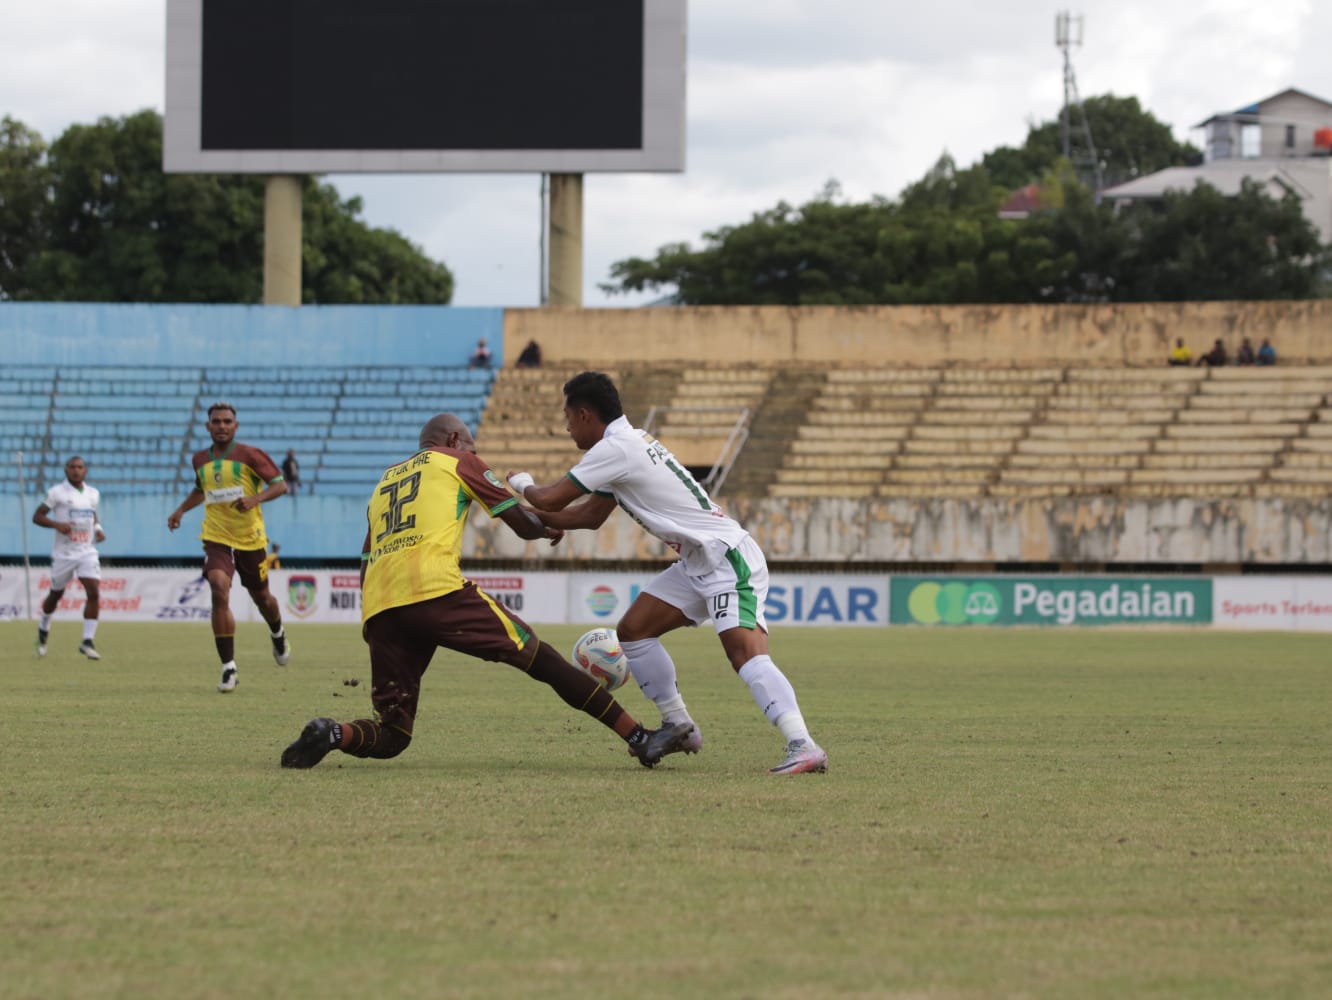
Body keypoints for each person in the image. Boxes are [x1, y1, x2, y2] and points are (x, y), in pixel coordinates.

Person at [279, 412, 693, 771]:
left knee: (393, 734)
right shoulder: (458, 461)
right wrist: (547, 526)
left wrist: (375, 618)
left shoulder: (385, 481)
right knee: (542, 659)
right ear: (456, 441)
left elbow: (367, 556)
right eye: (471, 447)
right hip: (435, 590)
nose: (474, 455)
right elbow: (521, 523)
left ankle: (332, 733)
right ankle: (639, 738)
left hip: (381, 606)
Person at [507, 371, 828, 776]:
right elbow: (588, 516)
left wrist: (519, 485)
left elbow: (550, 496)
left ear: (586, 414)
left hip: (725, 558)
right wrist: (543, 520)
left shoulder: (615, 449)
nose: (567, 426)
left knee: (744, 653)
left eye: (569, 417)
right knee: (635, 630)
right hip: (698, 560)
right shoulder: (626, 445)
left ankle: (804, 745)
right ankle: (679, 726)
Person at [167, 402, 292, 693]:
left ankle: (277, 631)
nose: (221, 426)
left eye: (226, 421)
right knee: (218, 587)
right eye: (216, 421)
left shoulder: (250, 455)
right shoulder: (200, 459)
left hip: (250, 538)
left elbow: (280, 485)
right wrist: (181, 510)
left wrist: (254, 499)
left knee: (262, 598)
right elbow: (202, 489)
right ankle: (228, 668)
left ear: (235, 426)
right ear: (207, 426)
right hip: (216, 536)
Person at [32, 456, 106, 660]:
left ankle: (87, 641)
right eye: (72, 467)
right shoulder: (57, 493)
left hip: (86, 551)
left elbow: (92, 514)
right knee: (55, 595)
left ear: (85, 470)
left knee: (93, 591)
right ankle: (43, 630)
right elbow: (37, 516)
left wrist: (98, 528)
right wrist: (57, 525)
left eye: (80, 467)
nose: (76, 470)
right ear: (66, 470)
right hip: (64, 553)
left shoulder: (93, 493)